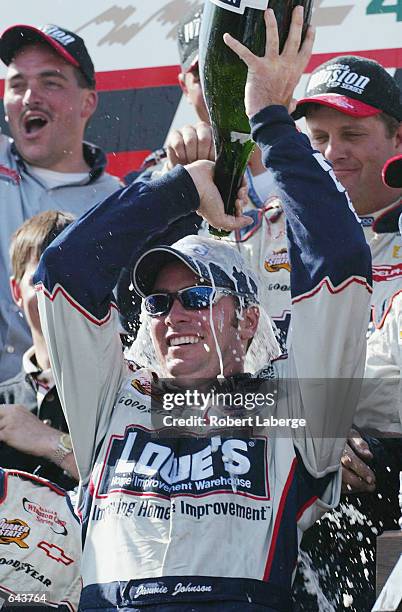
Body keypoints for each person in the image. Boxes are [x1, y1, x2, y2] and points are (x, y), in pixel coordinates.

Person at [34, 8, 372, 611]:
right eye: (158, 301)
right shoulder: (113, 397)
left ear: (247, 321)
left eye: (196, 297)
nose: (173, 315)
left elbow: (340, 256)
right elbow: (64, 272)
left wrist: (271, 119)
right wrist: (180, 186)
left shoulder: (290, 407)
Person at [291, 55, 402, 611]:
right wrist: (318, 427)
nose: (333, 153)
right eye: (319, 137)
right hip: (287, 486)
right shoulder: (267, 237)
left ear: (397, 135)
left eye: (353, 134)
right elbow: (194, 398)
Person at [0, 23, 121, 382]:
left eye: (50, 83)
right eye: (17, 84)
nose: (29, 97)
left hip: (76, 411)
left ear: (88, 102)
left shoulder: (119, 202)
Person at [0, 211, 79, 491]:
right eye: (40, 279)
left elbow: (149, 488)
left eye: (71, 276)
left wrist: (50, 442)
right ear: (16, 291)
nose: (55, 291)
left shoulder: (126, 389)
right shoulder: (3, 402)